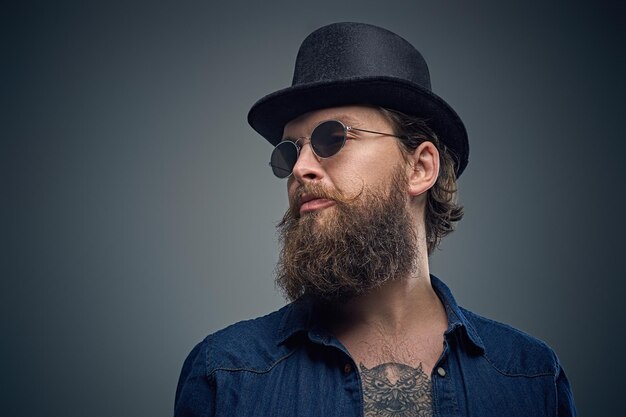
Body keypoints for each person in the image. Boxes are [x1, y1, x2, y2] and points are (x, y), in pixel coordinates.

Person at [174, 22, 577, 417]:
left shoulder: (530, 377)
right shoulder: (225, 375)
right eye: (289, 152)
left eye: (331, 138)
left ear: (419, 168)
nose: (300, 169)